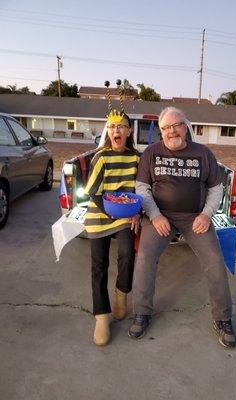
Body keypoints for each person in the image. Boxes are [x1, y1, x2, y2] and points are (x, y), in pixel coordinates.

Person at [128, 106, 236, 348]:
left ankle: (223, 319)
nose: (171, 131)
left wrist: (207, 215)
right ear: (161, 132)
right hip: (160, 216)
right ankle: (142, 313)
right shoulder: (151, 154)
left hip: (194, 218)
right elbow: (142, 188)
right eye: (166, 128)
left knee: (215, 261)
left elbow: (216, 188)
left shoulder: (203, 154)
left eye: (176, 125)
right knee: (144, 257)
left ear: (185, 127)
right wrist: (154, 216)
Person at [85, 110, 140, 346]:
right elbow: (94, 191)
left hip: (126, 216)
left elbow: (142, 190)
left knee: (128, 255)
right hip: (100, 213)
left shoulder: (137, 158)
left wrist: (137, 211)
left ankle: (121, 294)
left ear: (129, 131)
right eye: (112, 127)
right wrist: (111, 209)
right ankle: (101, 316)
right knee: (99, 265)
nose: (116, 130)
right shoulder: (100, 157)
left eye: (121, 126)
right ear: (108, 132)